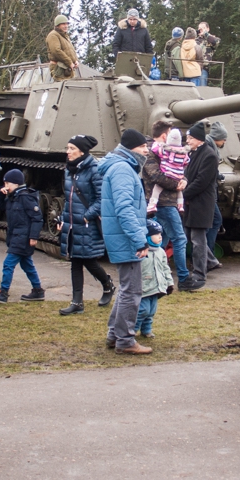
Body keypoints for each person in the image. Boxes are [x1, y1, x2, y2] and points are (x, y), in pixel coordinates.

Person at [99, 128, 153, 354]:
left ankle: (115, 335)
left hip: (123, 236)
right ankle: (125, 341)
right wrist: (139, 239)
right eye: (142, 147)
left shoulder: (122, 166)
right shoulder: (123, 169)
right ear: (132, 148)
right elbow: (124, 209)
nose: (146, 150)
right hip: (126, 238)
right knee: (132, 291)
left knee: (126, 289)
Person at [57, 135, 114, 316]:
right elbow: (69, 198)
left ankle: (107, 285)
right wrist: (62, 218)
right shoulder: (69, 170)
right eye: (67, 148)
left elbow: (102, 198)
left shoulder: (94, 169)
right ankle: (77, 302)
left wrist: (87, 216)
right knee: (75, 260)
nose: (68, 152)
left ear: (82, 151)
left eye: (72, 148)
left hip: (86, 223)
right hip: (73, 223)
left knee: (89, 260)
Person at [0, 169, 45, 304]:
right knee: (27, 264)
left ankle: (3, 292)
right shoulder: (13, 197)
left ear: (17, 184)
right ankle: (38, 290)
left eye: (8, 183)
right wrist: (0, 193)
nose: (6, 186)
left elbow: (37, 218)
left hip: (22, 237)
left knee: (8, 264)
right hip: (15, 236)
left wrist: (33, 237)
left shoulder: (25, 197)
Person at [142, 121, 191, 289]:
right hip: (162, 202)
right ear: (164, 136)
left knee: (161, 241)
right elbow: (155, 176)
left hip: (167, 202)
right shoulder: (151, 152)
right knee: (179, 238)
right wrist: (177, 184)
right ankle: (183, 278)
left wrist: (183, 180)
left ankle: (157, 273)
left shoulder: (167, 151)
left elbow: (179, 169)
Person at [180, 122, 218, 292]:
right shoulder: (194, 153)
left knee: (197, 240)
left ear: (199, 139)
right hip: (191, 201)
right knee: (191, 236)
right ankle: (211, 261)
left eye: (190, 138)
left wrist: (184, 193)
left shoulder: (209, 155)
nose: (187, 140)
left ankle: (199, 273)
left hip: (201, 203)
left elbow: (202, 181)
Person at [135, 219, 173, 338]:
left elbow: (165, 268)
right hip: (144, 287)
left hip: (157, 287)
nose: (160, 237)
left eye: (160, 234)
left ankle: (146, 330)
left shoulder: (161, 251)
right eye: (156, 234)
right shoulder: (140, 252)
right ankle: (131, 331)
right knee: (143, 310)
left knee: (151, 311)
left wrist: (169, 283)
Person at [147, 128, 188, 214]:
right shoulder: (183, 152)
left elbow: (156, 149)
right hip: (165, 202)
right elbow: (156, 176)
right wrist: (179, 181)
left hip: (168, 175)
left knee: (157, 189)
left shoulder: (164, 150)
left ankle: (152, 204)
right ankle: (180, 204)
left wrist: (184, 181)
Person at [205, 122, 229, 266]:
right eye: (223, 138)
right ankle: (208, 256)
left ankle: (207, 256)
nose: (225, 141)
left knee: (213, 222)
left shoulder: (210, 147)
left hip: (209, 191)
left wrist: (218, 175)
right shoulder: (209, 149)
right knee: (214, 221)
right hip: (207, 193)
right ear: (216, 137)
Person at [46, 14, 80, 81]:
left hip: (68, 69)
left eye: (67, 24)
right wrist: (69, 62)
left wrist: (75, 60)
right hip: (60, 69)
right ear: (57, 25)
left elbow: (70, 51)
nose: (66, 26)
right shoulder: (53, 35)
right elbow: (56, 51)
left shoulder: (65, 36)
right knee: (64, 88)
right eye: (63, 24)